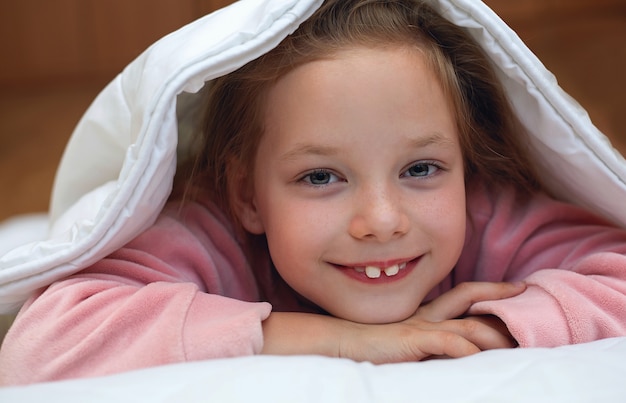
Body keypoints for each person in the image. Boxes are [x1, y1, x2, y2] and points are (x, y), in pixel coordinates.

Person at [1, 0, 626, 385]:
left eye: (421, 169)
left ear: (466, 166)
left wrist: (479, 330)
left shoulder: (487, 213)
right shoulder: (206, 229)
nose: (382, 221)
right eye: (320, 177)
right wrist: (348, 341)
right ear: (247, 194)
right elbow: (40, 348)